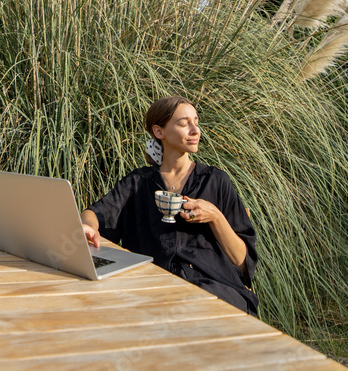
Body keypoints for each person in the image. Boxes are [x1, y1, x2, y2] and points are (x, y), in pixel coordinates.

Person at [81, 96, 259, 316]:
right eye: (184, 124)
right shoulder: (138, 183)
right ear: (159, 132)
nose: (195, 130)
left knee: (194, 308)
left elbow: (242, 262)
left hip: (214, 287)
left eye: (196, 121)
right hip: (152, 286)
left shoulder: (216, 181)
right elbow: (94, 214)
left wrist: (215, 216)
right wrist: (88, 227)